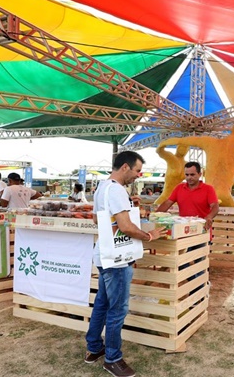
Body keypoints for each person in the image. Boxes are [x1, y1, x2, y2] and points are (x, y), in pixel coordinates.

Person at [84, 151, 165, 377]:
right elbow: (126, 227)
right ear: (126, 167)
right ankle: (113, 358)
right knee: (117, 309)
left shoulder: (102, 187)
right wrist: (150, 236)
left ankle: (93, 348)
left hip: (103, 254)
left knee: (102, 303)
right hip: (117, 260)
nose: (138, 175)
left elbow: (96, 220)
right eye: (138, 170)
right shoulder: (118, 190)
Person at [158, 121, 234, 207]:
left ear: (232, 128)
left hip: (208, 191)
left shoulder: (210, 142)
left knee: (205, 218)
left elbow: (189, 140)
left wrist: (168, 142)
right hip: (224, 193)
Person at [156, 161, 219, 229]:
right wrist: (155, 216)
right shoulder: (179, 188)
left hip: (202, 228)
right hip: (183, 229)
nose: (189, 177)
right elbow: (167, 203)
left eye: (192, 175)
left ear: (200, 174)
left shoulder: (208, 189)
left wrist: (209, 217)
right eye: (187, 175)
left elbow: (215, 206)